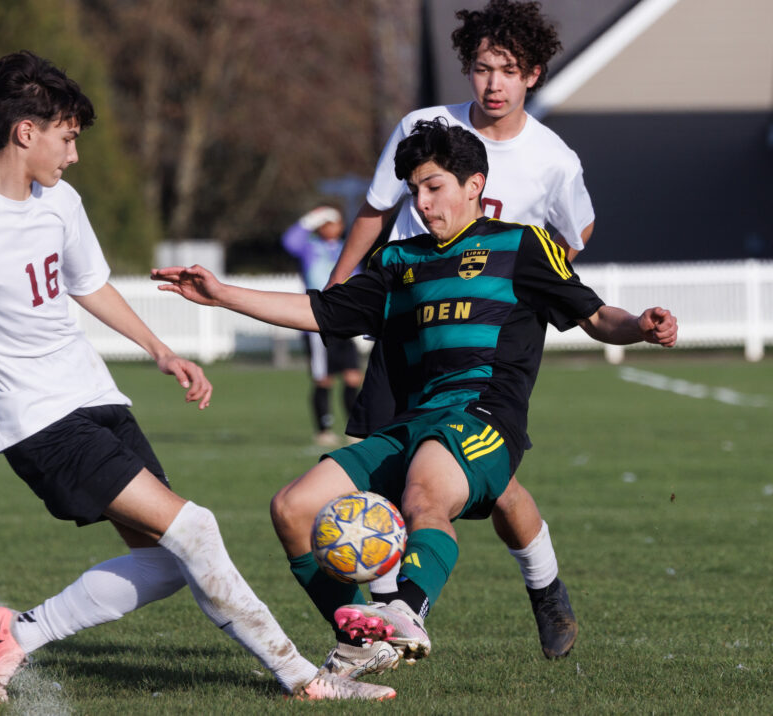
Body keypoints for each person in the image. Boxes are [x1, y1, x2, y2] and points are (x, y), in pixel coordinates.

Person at [0, 51, 396, 703]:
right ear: (25, 132)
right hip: (37, 421)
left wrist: (162, 351)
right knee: (195, 529)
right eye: (67, 137)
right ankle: (304, 679)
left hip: (96, 400)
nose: (74, 155)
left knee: (169, 563)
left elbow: (90, 286)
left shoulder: (60, 202)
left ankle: (19, 633)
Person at [153, 118, 677, 678]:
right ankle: (364, 635)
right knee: (292, 508)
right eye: (415, 192)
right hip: (413, 419)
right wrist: (221, 295)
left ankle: (406, 610)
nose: (423, 204)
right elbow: (321, 312)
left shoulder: (520, 244)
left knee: (423, 496)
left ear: (474, 185)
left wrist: (640, 326)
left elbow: (595, 314)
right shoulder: (400, 261)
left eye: (435, 188)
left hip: (482, 414)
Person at [325, 0, 594, 663]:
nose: (493, 83)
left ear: (532, 74)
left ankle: (540, 590)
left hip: (483, 338)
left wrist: (517, 288)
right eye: (481, 69)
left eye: (507, 70)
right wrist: (339, 288)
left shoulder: (553, 159)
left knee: (476, 475)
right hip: (407, 324)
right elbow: (375, 207)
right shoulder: (425, 127)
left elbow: (577, 233)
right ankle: (390, 626)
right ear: (466, 72)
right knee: (404, 479)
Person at [281, 206, 362, 447]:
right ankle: (323, 429)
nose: (331, 227)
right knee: (323, 378)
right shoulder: (309, 247)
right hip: (317, 323)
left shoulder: (345, 248)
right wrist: (310, 218)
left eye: (335, 221)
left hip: (344, 323)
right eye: (325, 223)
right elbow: (289, 242)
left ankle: (354, 426)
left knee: (352, 376)